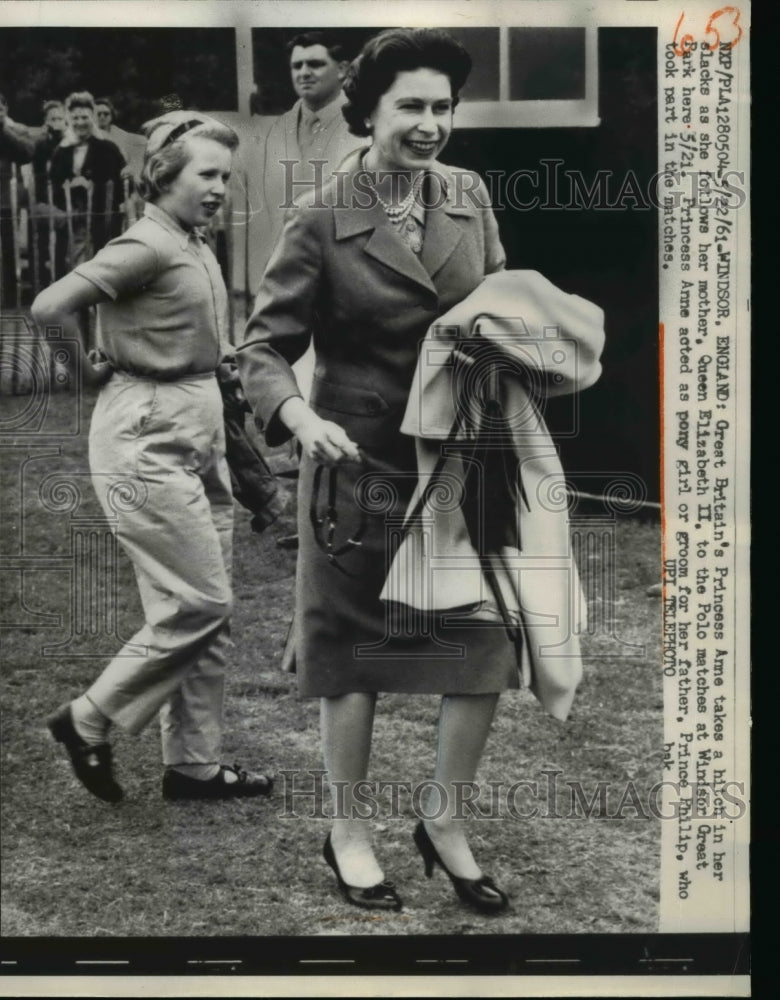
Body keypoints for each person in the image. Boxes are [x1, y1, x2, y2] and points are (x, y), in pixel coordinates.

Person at [237, 28, 515, 913]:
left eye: (444, 107)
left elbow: (500, 298)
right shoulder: (321, 215)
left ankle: (445, 821)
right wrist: (299, 417)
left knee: (482, 647)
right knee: (352, 656)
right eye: (412, 107)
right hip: (356, 464)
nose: (432, 124)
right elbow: (263, 349)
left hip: (460, 460)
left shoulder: (468, 195)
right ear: (369, 112)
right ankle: (348, 833)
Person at [32, 110, 273, 803]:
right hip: (146, 431)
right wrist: (84, 370)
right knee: (201, 600)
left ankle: (194, 765)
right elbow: (49, 306)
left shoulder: (191, 240)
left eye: (225, 176)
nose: (219, 188)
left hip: (196, 422)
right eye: (207, 175)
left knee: (205, 611)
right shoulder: (145, 243)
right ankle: (89, 717)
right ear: (164, 175)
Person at [49, 91, 126, 274]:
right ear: (69, 119)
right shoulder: (62, 150)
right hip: (72, 218)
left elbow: (118, 186)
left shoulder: (107, 148)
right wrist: (70, 185)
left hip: (101, 218)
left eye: (84, 117)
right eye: (75, 118)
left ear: (92, 118)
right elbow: (53, 183)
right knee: (72, 265)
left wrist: (91, 184)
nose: (80, 123)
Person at [0, 93, 35, 307]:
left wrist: (3, 129)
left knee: (10, 251)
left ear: (5, 108)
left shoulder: (18, 130)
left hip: (8, 200)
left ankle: (11, 299)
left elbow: (26, 152)